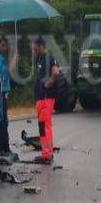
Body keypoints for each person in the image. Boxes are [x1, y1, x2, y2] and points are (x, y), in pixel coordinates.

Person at [32, 36, 60, 164]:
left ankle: (47, 154)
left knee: (44, 126)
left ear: (41, 46)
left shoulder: (49, 58)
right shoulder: (39, 59)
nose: (34, 50)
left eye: (36, 48)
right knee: (43, 126)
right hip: (40, 98)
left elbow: (56, 72)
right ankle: (47, 151)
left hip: (45, 98)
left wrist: (49, 83)